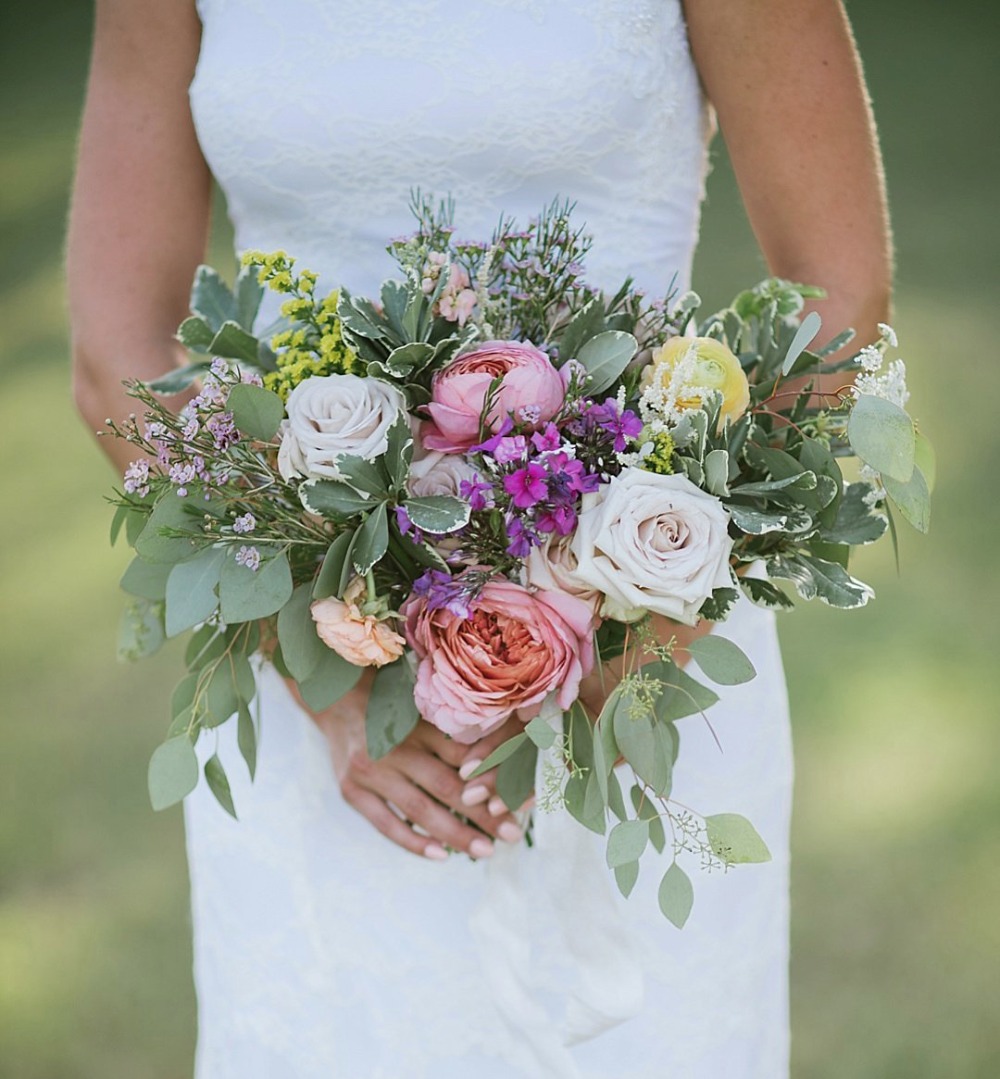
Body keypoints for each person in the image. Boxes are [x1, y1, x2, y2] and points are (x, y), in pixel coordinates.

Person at [68, 2, 891, 1076]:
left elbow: (837, 295)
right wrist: (322, 660)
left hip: (645, 666)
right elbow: (116, 355)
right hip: (316, 682)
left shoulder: (642, 647)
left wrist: (635, 623)